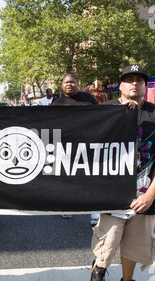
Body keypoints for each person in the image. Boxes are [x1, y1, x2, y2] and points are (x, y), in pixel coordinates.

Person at [90, 65, 155, 281]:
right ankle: (99, 268)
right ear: (120, 85)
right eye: (128, 79)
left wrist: (150, 195)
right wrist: (120, 117)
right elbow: (87, 146)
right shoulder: (104, 111)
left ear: (145, 86)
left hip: (143, 194)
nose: (134, 84)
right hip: (113, 192)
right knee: (109, 238)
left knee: (135, 244)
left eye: (139, 80)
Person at [52, 74, 98, 219]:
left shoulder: (89, 99)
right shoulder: (57, 103)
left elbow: (102, 117)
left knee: (91, 177)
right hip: (65, 148)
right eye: (66, 82)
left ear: (77, 84)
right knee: (67, 179)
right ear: (62, 85)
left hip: (88, 145)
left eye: (72, 82)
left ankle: (94, 211)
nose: (69, 84)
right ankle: (68, 206)